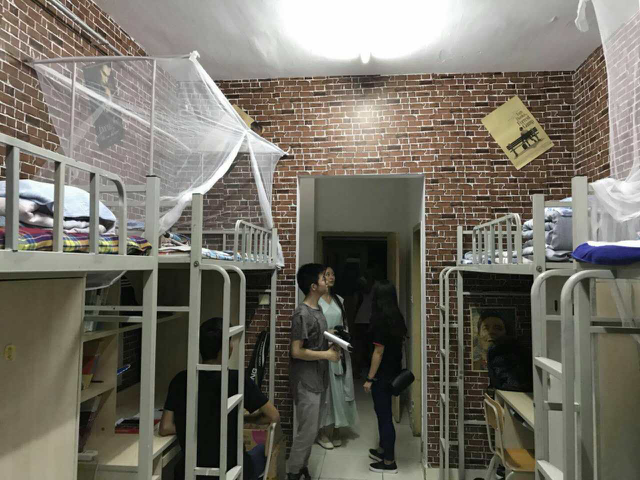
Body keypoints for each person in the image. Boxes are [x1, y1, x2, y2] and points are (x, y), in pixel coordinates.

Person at [159, 318, 280, 480]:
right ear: (225, 348)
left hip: (192, 474)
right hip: (232, 471)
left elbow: (165, 427)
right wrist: (245, 419)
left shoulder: (180, 380)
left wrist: (200, 426)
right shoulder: (237, 379)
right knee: (260, 451)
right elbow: (273, 416)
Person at [287, 263, 340, 480]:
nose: (326, 281)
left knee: (313, 428)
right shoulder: (302, 313)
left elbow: (316, 338)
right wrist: (326, 355)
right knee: (307, 431)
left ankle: (302, 467)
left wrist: (333, 337)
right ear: (313, 286)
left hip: (320, 377)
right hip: (306, 379)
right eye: (322, 278)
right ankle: (292, 471)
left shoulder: (317, 309)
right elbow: (296, 351)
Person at [363, 280, 407, 474]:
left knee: (384, 417)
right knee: (384, 413)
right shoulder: (397, 317)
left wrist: (369, 379)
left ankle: (389, 462)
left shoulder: (380, 320)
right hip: (394, 371)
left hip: (382, 375)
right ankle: (382, 450)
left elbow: (378, 352)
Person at [317, 266, 358, 449]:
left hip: (338, 349)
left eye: (333, 274)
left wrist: (342, 339)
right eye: (327, 274)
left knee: (339, 389)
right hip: (322, 349)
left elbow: (344, 324)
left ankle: (336, 428)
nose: (331, 277)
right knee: (324, 391)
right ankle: (321, 431)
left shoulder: (339, 300)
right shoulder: (316, 301)